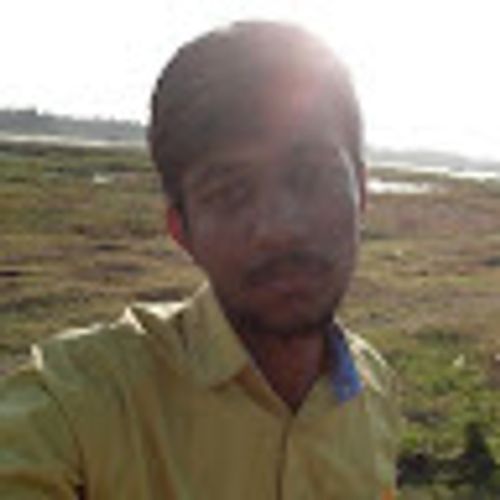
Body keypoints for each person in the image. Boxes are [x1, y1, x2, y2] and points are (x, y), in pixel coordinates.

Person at [0, 20, 399, 499]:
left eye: (312, 175)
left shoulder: (375, 390)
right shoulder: (76, 403)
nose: (279, 227)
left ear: (362, 193)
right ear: (182, 232)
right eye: (230, 193)